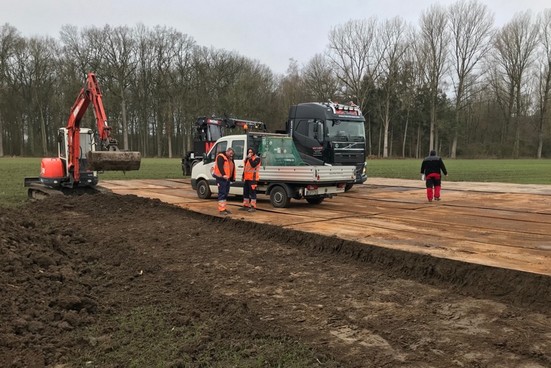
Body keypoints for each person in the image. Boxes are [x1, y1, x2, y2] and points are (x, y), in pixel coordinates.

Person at [212, 147, 235, 215]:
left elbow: (231, 169)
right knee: (222, 193)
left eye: (232, 154)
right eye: (230, 153)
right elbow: (220, 166)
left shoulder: (229, 159)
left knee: (225, 193)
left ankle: (223, 208)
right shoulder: (221, 157)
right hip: (221, 178)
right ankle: (221, 209)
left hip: (226, 179)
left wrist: (231, 178)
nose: (231, 155)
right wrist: (223, 174)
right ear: (227, 151)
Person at [240, 148, 261, 212]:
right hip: (247, 178)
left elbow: (253, 165)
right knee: (245, 192)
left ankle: (253, 206)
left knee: (252, 193)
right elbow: (245, 168)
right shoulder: (247, 159)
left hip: (253, 179)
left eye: (251, 152)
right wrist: (243, 176)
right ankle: (245, 205)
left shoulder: (257, 158)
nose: (250, 153)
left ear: (254, 152)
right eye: (249, 152)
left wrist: (249, 158)